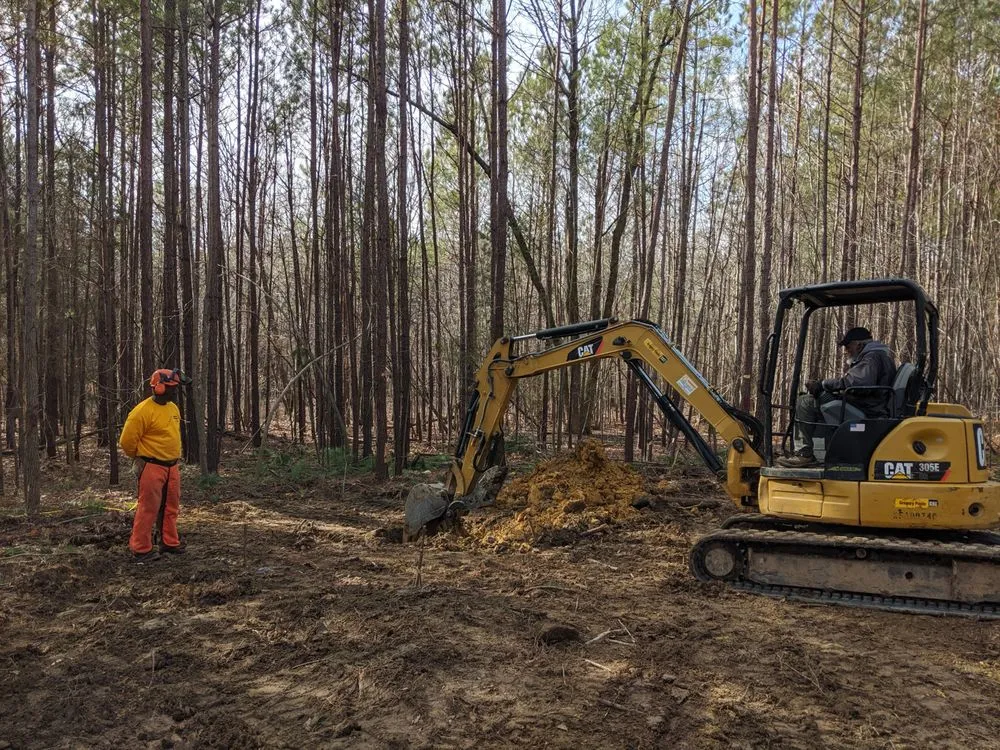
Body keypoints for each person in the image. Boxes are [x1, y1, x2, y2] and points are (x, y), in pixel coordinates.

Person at [777, 327, 896, 468]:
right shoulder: (877, 356)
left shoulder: (871, 357)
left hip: (867, 410)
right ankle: (822, 451)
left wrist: (823, 384)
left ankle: (804, 454)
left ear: (859, 344)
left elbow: (856, 383)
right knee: (816, 398)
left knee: (805, 402)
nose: (846, 350)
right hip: (868, 405)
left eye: (848, 346)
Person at [120, 369, 190, 562]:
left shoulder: (173, 408)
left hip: (172, 466)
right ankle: (140, 548)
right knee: (148, 508)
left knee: (171, 507)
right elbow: (127, 441)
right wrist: (139, 458)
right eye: (171, 388)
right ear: (158, 387)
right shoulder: (142, 411)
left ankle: (169, 542)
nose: (174, 392)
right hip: (151, 465)